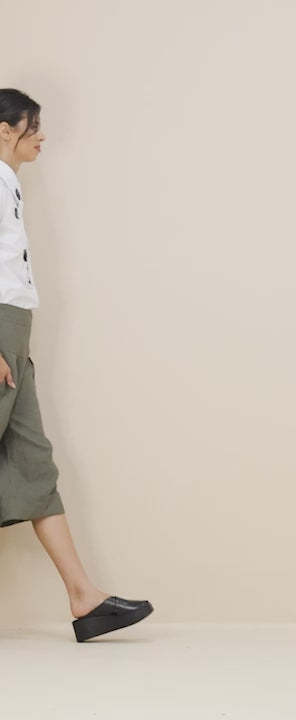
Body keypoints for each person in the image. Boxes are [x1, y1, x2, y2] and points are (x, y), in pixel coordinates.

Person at [0, 88, 153, 642]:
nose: (43, 137)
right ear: (4, 130)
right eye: (33, 126)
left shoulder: (7, 182)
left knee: (33, 464)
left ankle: (84, 598)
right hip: (0, 329)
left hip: (14, 328)